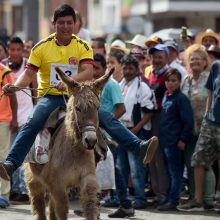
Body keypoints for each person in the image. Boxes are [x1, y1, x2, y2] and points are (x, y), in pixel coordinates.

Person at [0, 4, 158, 184]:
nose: (65, 27)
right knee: (33, 121)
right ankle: (11, 163)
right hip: (51, 97)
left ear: (75, 24)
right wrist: (15, 86)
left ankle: (139, 147)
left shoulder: (83, 46)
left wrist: (69, 82)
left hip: (77, 95)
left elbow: (87, 72)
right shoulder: (41, 47)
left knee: (105, 117)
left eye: (69, 23)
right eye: (61, 23)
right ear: (54, 24)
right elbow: (28, 74)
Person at [108, 55, 156, 218]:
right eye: (125, 68)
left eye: (131, 68)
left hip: (135, 132)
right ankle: (126, 199)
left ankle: (140, 198)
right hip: (120, 131)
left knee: (136, 168)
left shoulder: (143, 86)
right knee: (121, 168)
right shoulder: (120, 85)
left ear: (137, 70)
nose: (127, 71)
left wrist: (136, 129)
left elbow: (150, 111)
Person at [177, 60, 220, 211]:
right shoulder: (216, 65)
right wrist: (208, 113)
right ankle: (198, 200)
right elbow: (210, 90)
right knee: (198, 159)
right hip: (211, 122)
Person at [2, 36, 36, 204]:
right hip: (10, 117)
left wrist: (38, 115)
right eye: (12, 49)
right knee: (10, 154)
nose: (15, 53)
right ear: (8, 50)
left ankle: (24, 190)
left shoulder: (29, 65)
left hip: (26, 115)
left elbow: (35, 90)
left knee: (24, 153)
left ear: (22, 50)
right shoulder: (3, 66)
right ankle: (14, 189)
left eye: (18, 50)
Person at [157, 68, 194, 211]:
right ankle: (169, 198)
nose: (170, 83)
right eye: (168, 80)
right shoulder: (167, 95)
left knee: (175, 173)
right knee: (169, 172)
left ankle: (173, 201)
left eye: (174, 81)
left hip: (174, 143)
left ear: (179, 82)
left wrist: (182, 139)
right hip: (165, 141)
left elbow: (188, 121)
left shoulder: (181, 99)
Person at [0, 63, 17, 208]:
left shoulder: (5, 72)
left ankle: (4, 195)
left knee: (2, 156)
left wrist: (15, 118)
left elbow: (13, 96)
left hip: (3, 120)